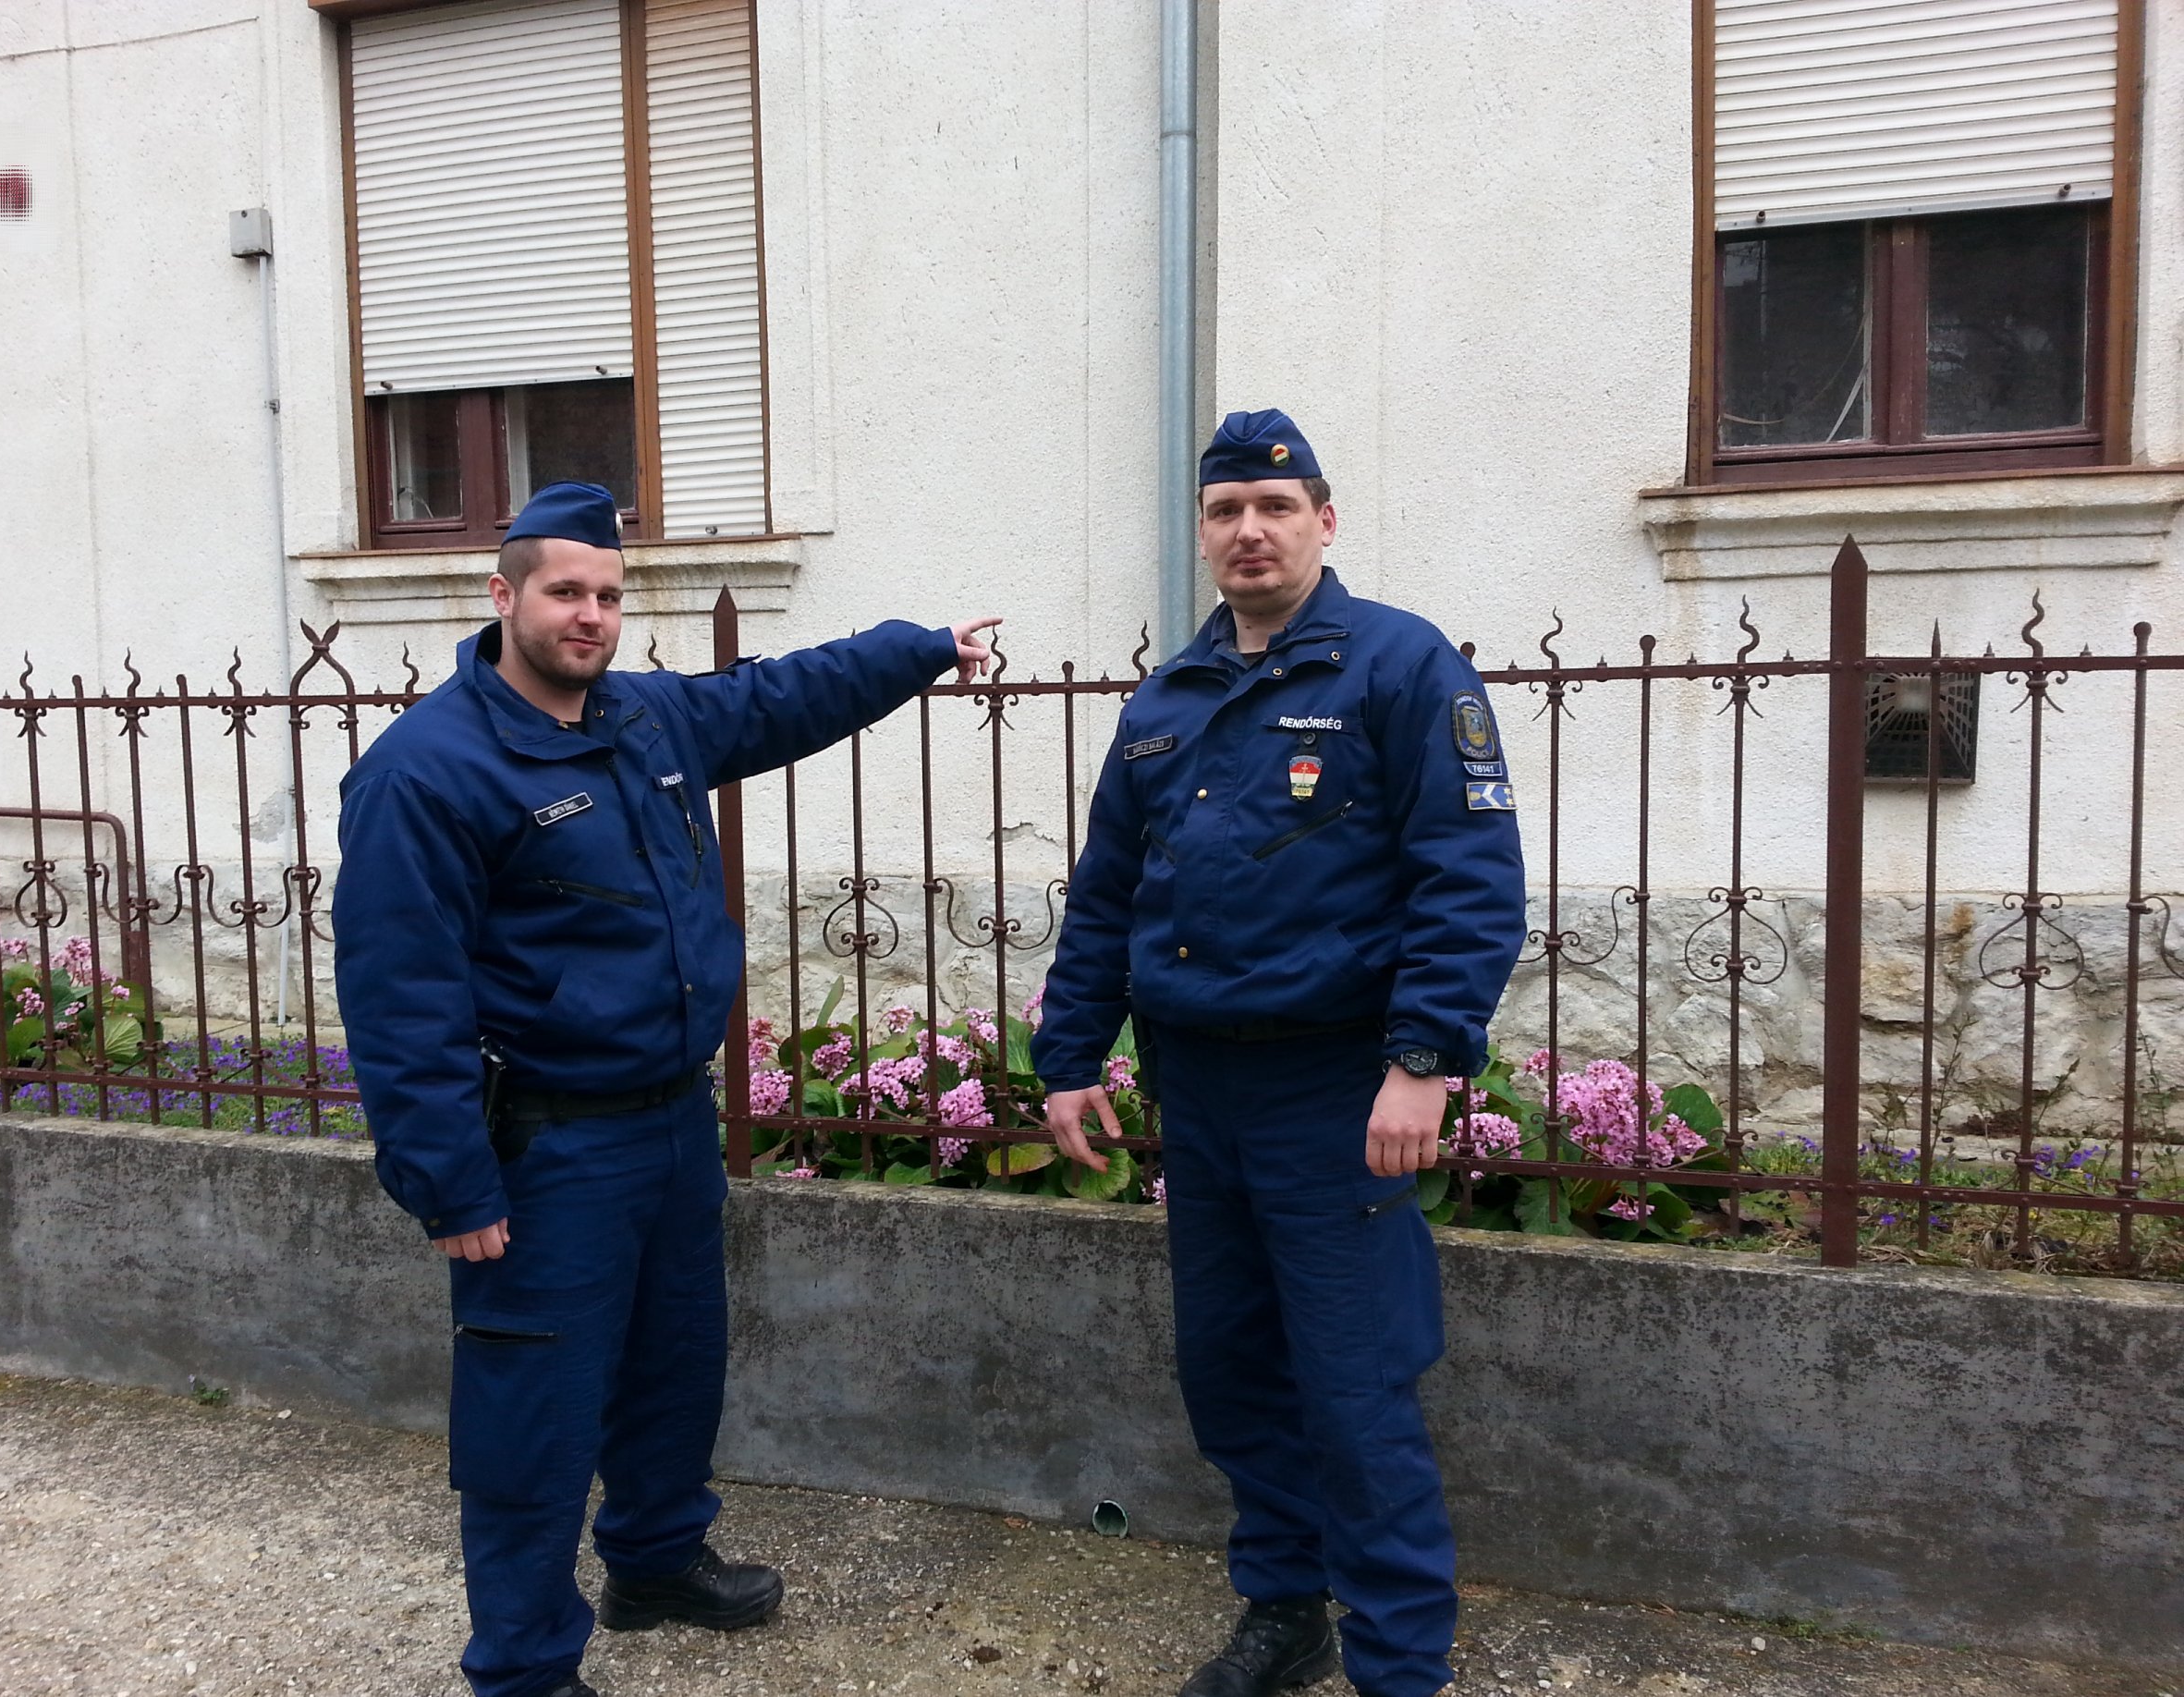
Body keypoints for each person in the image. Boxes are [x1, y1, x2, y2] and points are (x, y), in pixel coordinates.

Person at [333, 480, 998, 1697]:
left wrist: (918, 650)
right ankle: (525, 1667)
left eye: (607, 594)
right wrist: (449, 1183)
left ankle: (653, 1561)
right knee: (534, 1415)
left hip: (672, 1122)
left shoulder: (645, 718)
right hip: (547, 1148)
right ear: (503, 596)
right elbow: (398, 997)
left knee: (674, 1366)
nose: (589, 614)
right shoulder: (428, 770)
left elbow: (779, 696)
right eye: (564, 591)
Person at [1031, 411, 1527, 1697]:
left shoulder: (1400, 667)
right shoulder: (1166, 701)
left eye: (1276, 506)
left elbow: (1469, 879)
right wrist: (1070, 1054)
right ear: (1202, 533)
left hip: (1334, 1089)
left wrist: (1422, 1062)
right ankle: (1284, 1610)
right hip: (1201, 1090)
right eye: (1225, 511)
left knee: (1356, 1387)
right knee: (1232, 1370)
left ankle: (1400, 1665)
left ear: (1324, 520)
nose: (1249, 530)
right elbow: (1109, 894)